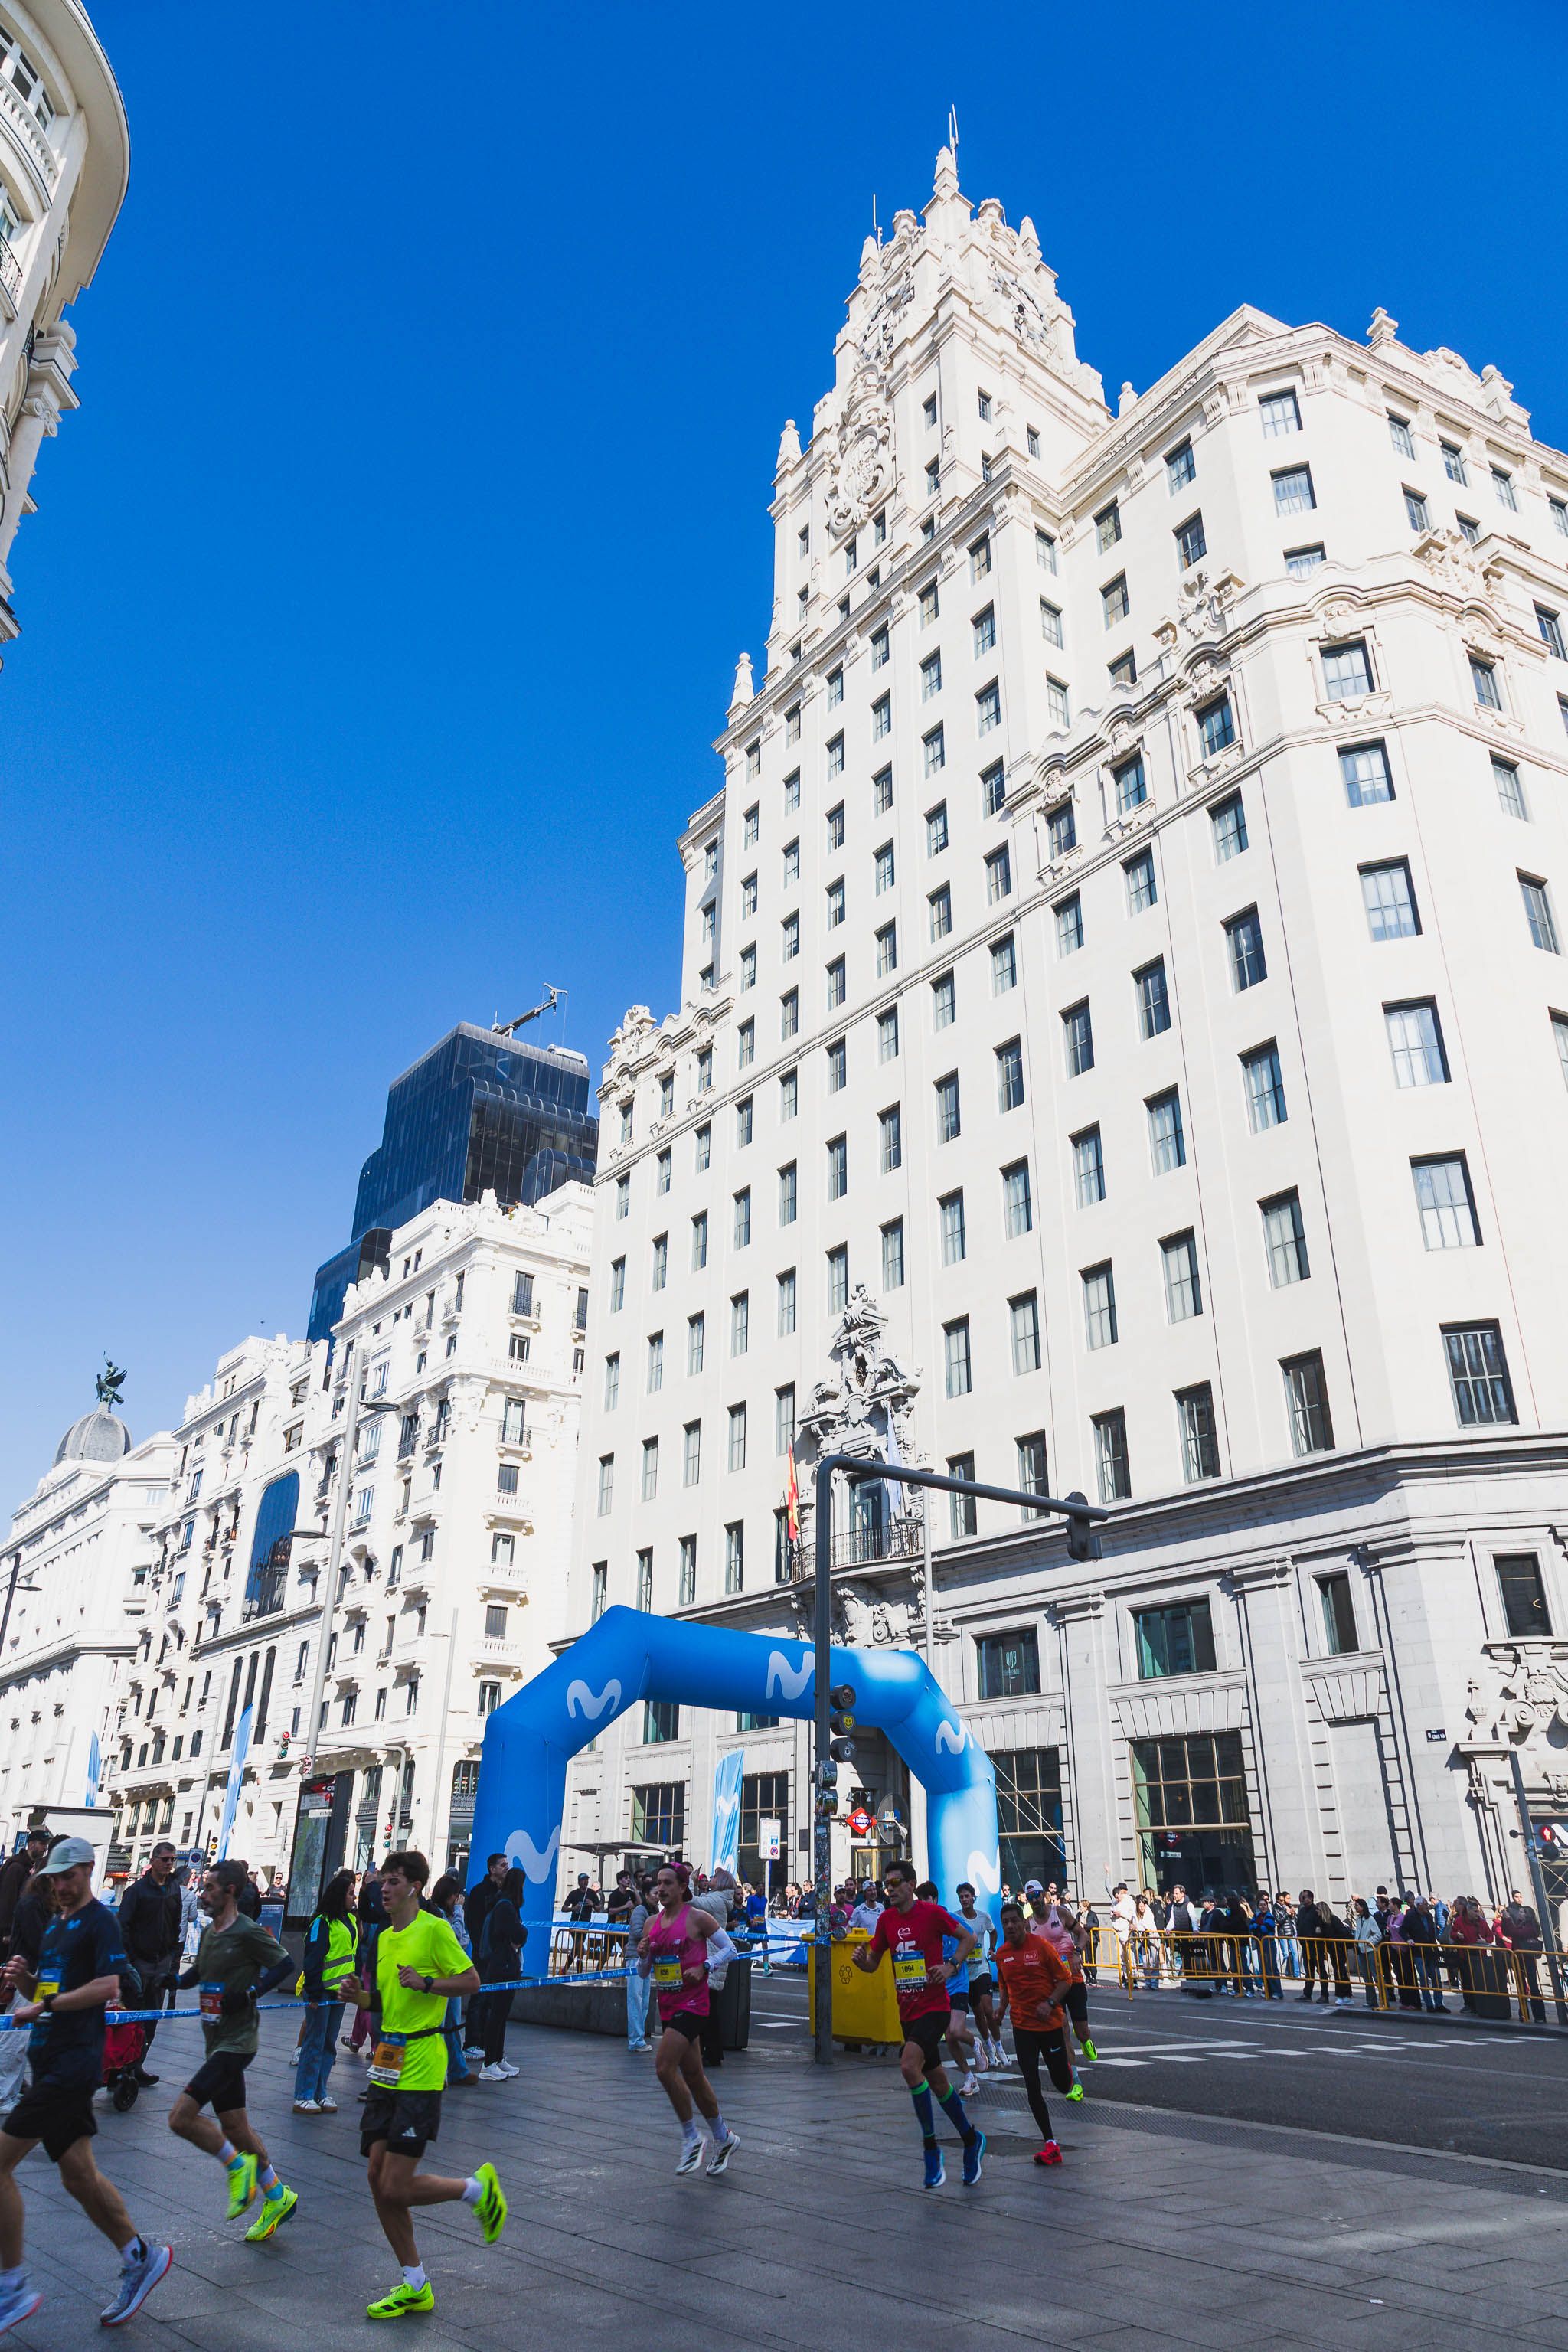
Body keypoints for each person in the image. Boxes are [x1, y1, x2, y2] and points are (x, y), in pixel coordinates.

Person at [0, 1837, 172, 2331]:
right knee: (79, 2176)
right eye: (55, 1877)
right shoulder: (55, 1926)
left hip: (71, 2067)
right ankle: (141, 2256)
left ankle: (10, 2288)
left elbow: (107, 1987)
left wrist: (45, 2006)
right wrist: (27, 1982)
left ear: (89, 1870)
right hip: (50, 2062)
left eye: (69, 1875)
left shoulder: (99, 1921)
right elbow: (53, 1991)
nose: (61, 1884)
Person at [340, 1849, 506, 2321]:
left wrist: (429, 1984)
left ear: (414, 1886)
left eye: (392, 1881)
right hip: (387, 2063)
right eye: (382, 1882)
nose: (383, 1889)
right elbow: (389, 2001)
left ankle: (476, 2190)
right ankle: (415, 2283)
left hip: (421, 2065)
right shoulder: (384, 1937)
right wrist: (361, 1997)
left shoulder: (434, 1929)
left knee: (394, 2184)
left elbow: (472, 1981)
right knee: (377, 2178)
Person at [167, 1857, 297, 2243]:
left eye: (209, 1888)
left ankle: (236, 2167)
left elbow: (285, 1964)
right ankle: (278, 2196)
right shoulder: (210, 1933)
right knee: (236, 2126)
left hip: (237, 2043)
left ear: (231, 1892)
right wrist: (173, 1980)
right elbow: (198, 1973)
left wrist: (251, 1994)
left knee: (180, 2118)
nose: (203, 1893)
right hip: (214, 2040)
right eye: (203, 1887)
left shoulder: (248, 1931)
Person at [851, 1859, 984, 2190]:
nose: (890, 1889)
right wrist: (861, 1961)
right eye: (887, 1884)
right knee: (938, 2083)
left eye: (896, 1883)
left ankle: (931, 2150)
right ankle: (971, 2139)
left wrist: (951, 1966)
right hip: (906, 2011)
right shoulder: (886, 1920)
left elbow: (968, 1940)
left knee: (909, 2066)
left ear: (911, 1884)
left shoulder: (931, 1913)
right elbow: (873, 1963)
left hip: (935, 2007)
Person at [639, 1862, 739, 2177]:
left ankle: (692, 2137)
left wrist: (706, 1967)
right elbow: (644, 1973)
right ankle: (724, 2137)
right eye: (659, 1883)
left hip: (694, 2003)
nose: (662, 1889)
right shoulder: (652, 1924)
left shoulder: (698, 1918)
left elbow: (730, 1949)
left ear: (683, 1887)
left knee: (663, 2067)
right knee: (694, 2075)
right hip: (668, 2004)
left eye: (669, 1883)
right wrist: (643, 1954)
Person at [994, 1900, 1077, 2165]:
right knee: (1032, 2083)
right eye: (1005, 1922)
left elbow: (1065, 1980)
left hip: (1050, 2026)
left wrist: (1050, 2003)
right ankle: (1050, 2142)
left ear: (1023, 1923)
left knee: (1063, 2083)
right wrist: (1001, 2009)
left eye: (1014, 1921)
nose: (1009, 1926)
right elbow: (1006, 1985)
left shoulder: (1041, 1946)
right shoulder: (1002, 1954)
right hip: (1022, 2028)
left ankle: (1066, 2069)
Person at [115, 1842, 185, 2085]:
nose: (168, 1864)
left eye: (172, 1860)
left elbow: (176, 1923)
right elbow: (123, 1926)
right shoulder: (137, 1891)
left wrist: (172, 1955)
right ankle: (122, 2066)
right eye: (165, 1859)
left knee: (152, 2017)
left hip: (161, 1961)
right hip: (139, 1962)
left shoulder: (173, 1889)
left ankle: (137, 2065)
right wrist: (131, 1958)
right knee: (133, 2016)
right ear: (153, 1860)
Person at [293, 1868, 360, 2113]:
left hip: (339, 1993)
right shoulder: (321, 1923)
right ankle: (304, 2093)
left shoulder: (351, 1921)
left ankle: (320, 2091)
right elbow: (313, 1959)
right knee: (314, 2042)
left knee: (329, 2044)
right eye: (351, 1893)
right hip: (321, 1992)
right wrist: (312, 1992)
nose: (354, 1897)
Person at [471, 1867, 526, 2082]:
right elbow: (518, 1933)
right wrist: (521, 1934)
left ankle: (497, 2057)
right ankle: (489, 2062)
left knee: (501, 2014)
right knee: (497, 2013)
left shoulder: (502, 1904)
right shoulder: (506, 1907)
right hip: (502, 1965)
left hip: (504, 1964)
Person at [426, 1876, 476, 2089]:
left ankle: (457, 2069)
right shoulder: (439, 1915)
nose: (459, 1900)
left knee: (452, 2024)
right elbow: (457, 1938)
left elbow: (462, 1939)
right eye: (456, 1897)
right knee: (443, 2024)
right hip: (442, 1977)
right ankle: (450, 2070)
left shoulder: (443, 1914)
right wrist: (458, 1912)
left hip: (450, 1976)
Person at [956, 1883, 1005, 2069]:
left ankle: (999, 2046)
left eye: (967, 1896)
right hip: (964, 1973)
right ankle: (989, 2046)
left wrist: (992, 1949)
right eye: (961, 1897)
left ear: (973, 1898)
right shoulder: (956, 1918)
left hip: (982, 1969)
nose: (964, 1899)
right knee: (977, 2014)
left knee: (987, 2009)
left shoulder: (984, 1917)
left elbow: (993, 1931)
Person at [1498, 1890, 1547, 2023]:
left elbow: (1514, 1933)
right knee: (1521, 1986)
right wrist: (1505, 1918)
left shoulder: (1531, 1927)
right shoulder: (1519, 1925)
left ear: (1527, 1916)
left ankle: (1539, 2015)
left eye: (1521, 1913)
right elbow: (1507, 1931)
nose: (1519, 1914)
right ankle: (1524, 2013)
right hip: (1519, 1957)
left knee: (1533, 1985)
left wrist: (1507, 1918)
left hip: (1527, 1958)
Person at [0, 1833, 50, 1952]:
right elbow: (8, 1899)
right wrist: (7, 1930)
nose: (45, 1848)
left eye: (46, 1845)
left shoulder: (28, 1867)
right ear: (31, 1845)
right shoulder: (16, 1867)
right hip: (6, 1932)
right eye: (42, 1844)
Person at [623, 1878, 653, 2053]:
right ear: (647, 1894)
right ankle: (635, 2039)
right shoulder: (641, 1911)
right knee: (636, 1998)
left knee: (644, 1999)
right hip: (635, 1958)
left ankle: (639, 2036)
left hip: (646, 1958)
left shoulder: (653, 1910)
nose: (658, 1896)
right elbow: (636, 1932)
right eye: (655, 1893)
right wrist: (655, 1935)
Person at [1295, 1890, 1331, 2004]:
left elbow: (1323, 1925)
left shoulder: (1316, 1911)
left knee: (1321, 1969)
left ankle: (1324, 1994)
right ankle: (1307, 1993)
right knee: (1308, 1970)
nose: (1303, 1899)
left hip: (1316, 1945)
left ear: (1310, 1898)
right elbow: (1299, 1924)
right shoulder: (1301, 1911)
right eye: (1302, 1897)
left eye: (1305, 1897)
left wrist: (1318, 1932)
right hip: (1305, 1945)